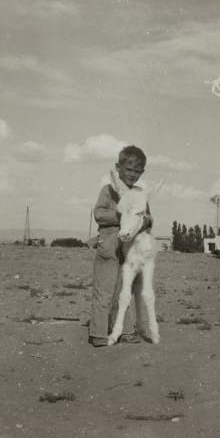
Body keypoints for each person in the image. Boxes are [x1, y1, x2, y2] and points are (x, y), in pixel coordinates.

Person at [88, 145, 153, 348]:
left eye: (137, 171)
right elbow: (98, 213)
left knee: (123, 290)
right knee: (105, 290)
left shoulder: (140, 193)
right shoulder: (108, 190)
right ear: (118, 168)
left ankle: (125, 331)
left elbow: (147, 217)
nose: (132, 175)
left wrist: (144, 221)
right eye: (128, 169)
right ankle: (98, 333)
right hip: (109, 242)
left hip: (129, 246)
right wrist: (121, 214)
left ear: (142, 172)